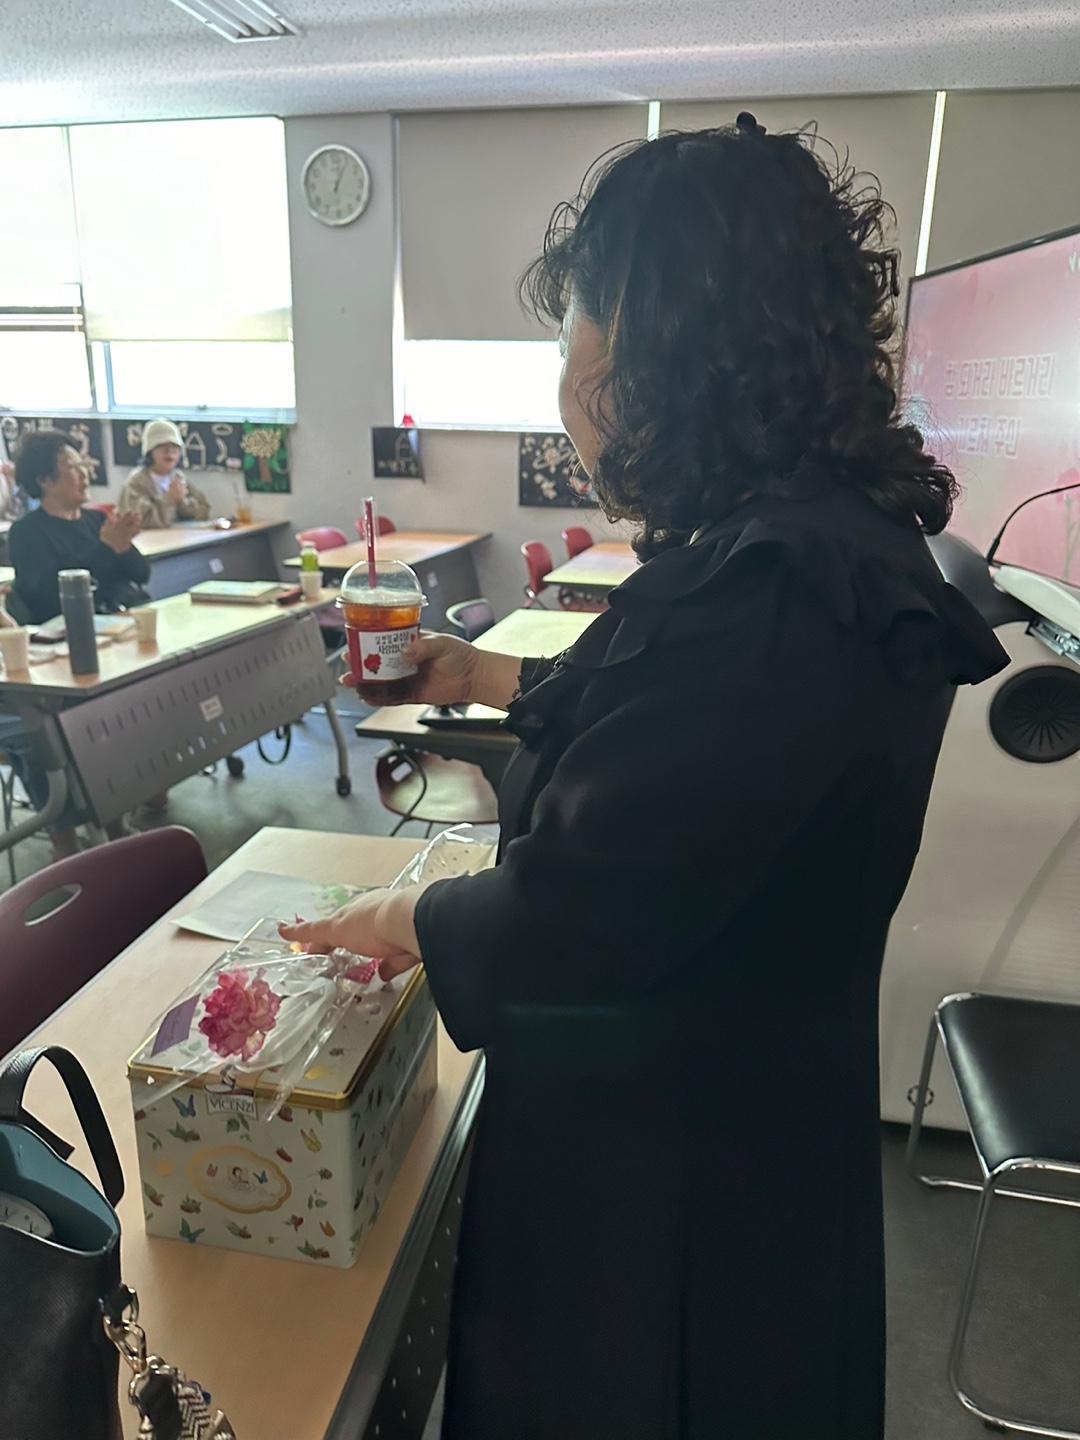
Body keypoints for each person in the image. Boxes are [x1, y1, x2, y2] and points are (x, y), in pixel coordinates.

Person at [283, 116, 1009, 1440]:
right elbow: (684, 746)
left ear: (661, 352)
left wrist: (397, 917)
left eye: (576, 333)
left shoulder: (770, 591)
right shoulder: (805, 545)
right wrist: (486, 676)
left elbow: (577, 916)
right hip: (746, 1114)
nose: (566, 376)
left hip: (671, 1180)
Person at [9, 431, 150, 625]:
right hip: (81, 627)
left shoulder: (98, 519)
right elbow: (50, 598)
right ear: (44, 480)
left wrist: (124, 546)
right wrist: (108, 549)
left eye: (82, 464)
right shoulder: (26, 533)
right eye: (72, 467)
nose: (84, 473)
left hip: (126, 616)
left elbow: (142, 575)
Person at [116, 418, 212, 528]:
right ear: (150, 451)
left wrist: (182, 502)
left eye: (175, 447)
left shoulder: (178, 478)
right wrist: (169, 500)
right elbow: (140, 522)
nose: (170, 452)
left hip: (176, 537)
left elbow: (203, 512)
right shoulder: (137, 481)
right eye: (162, 446)